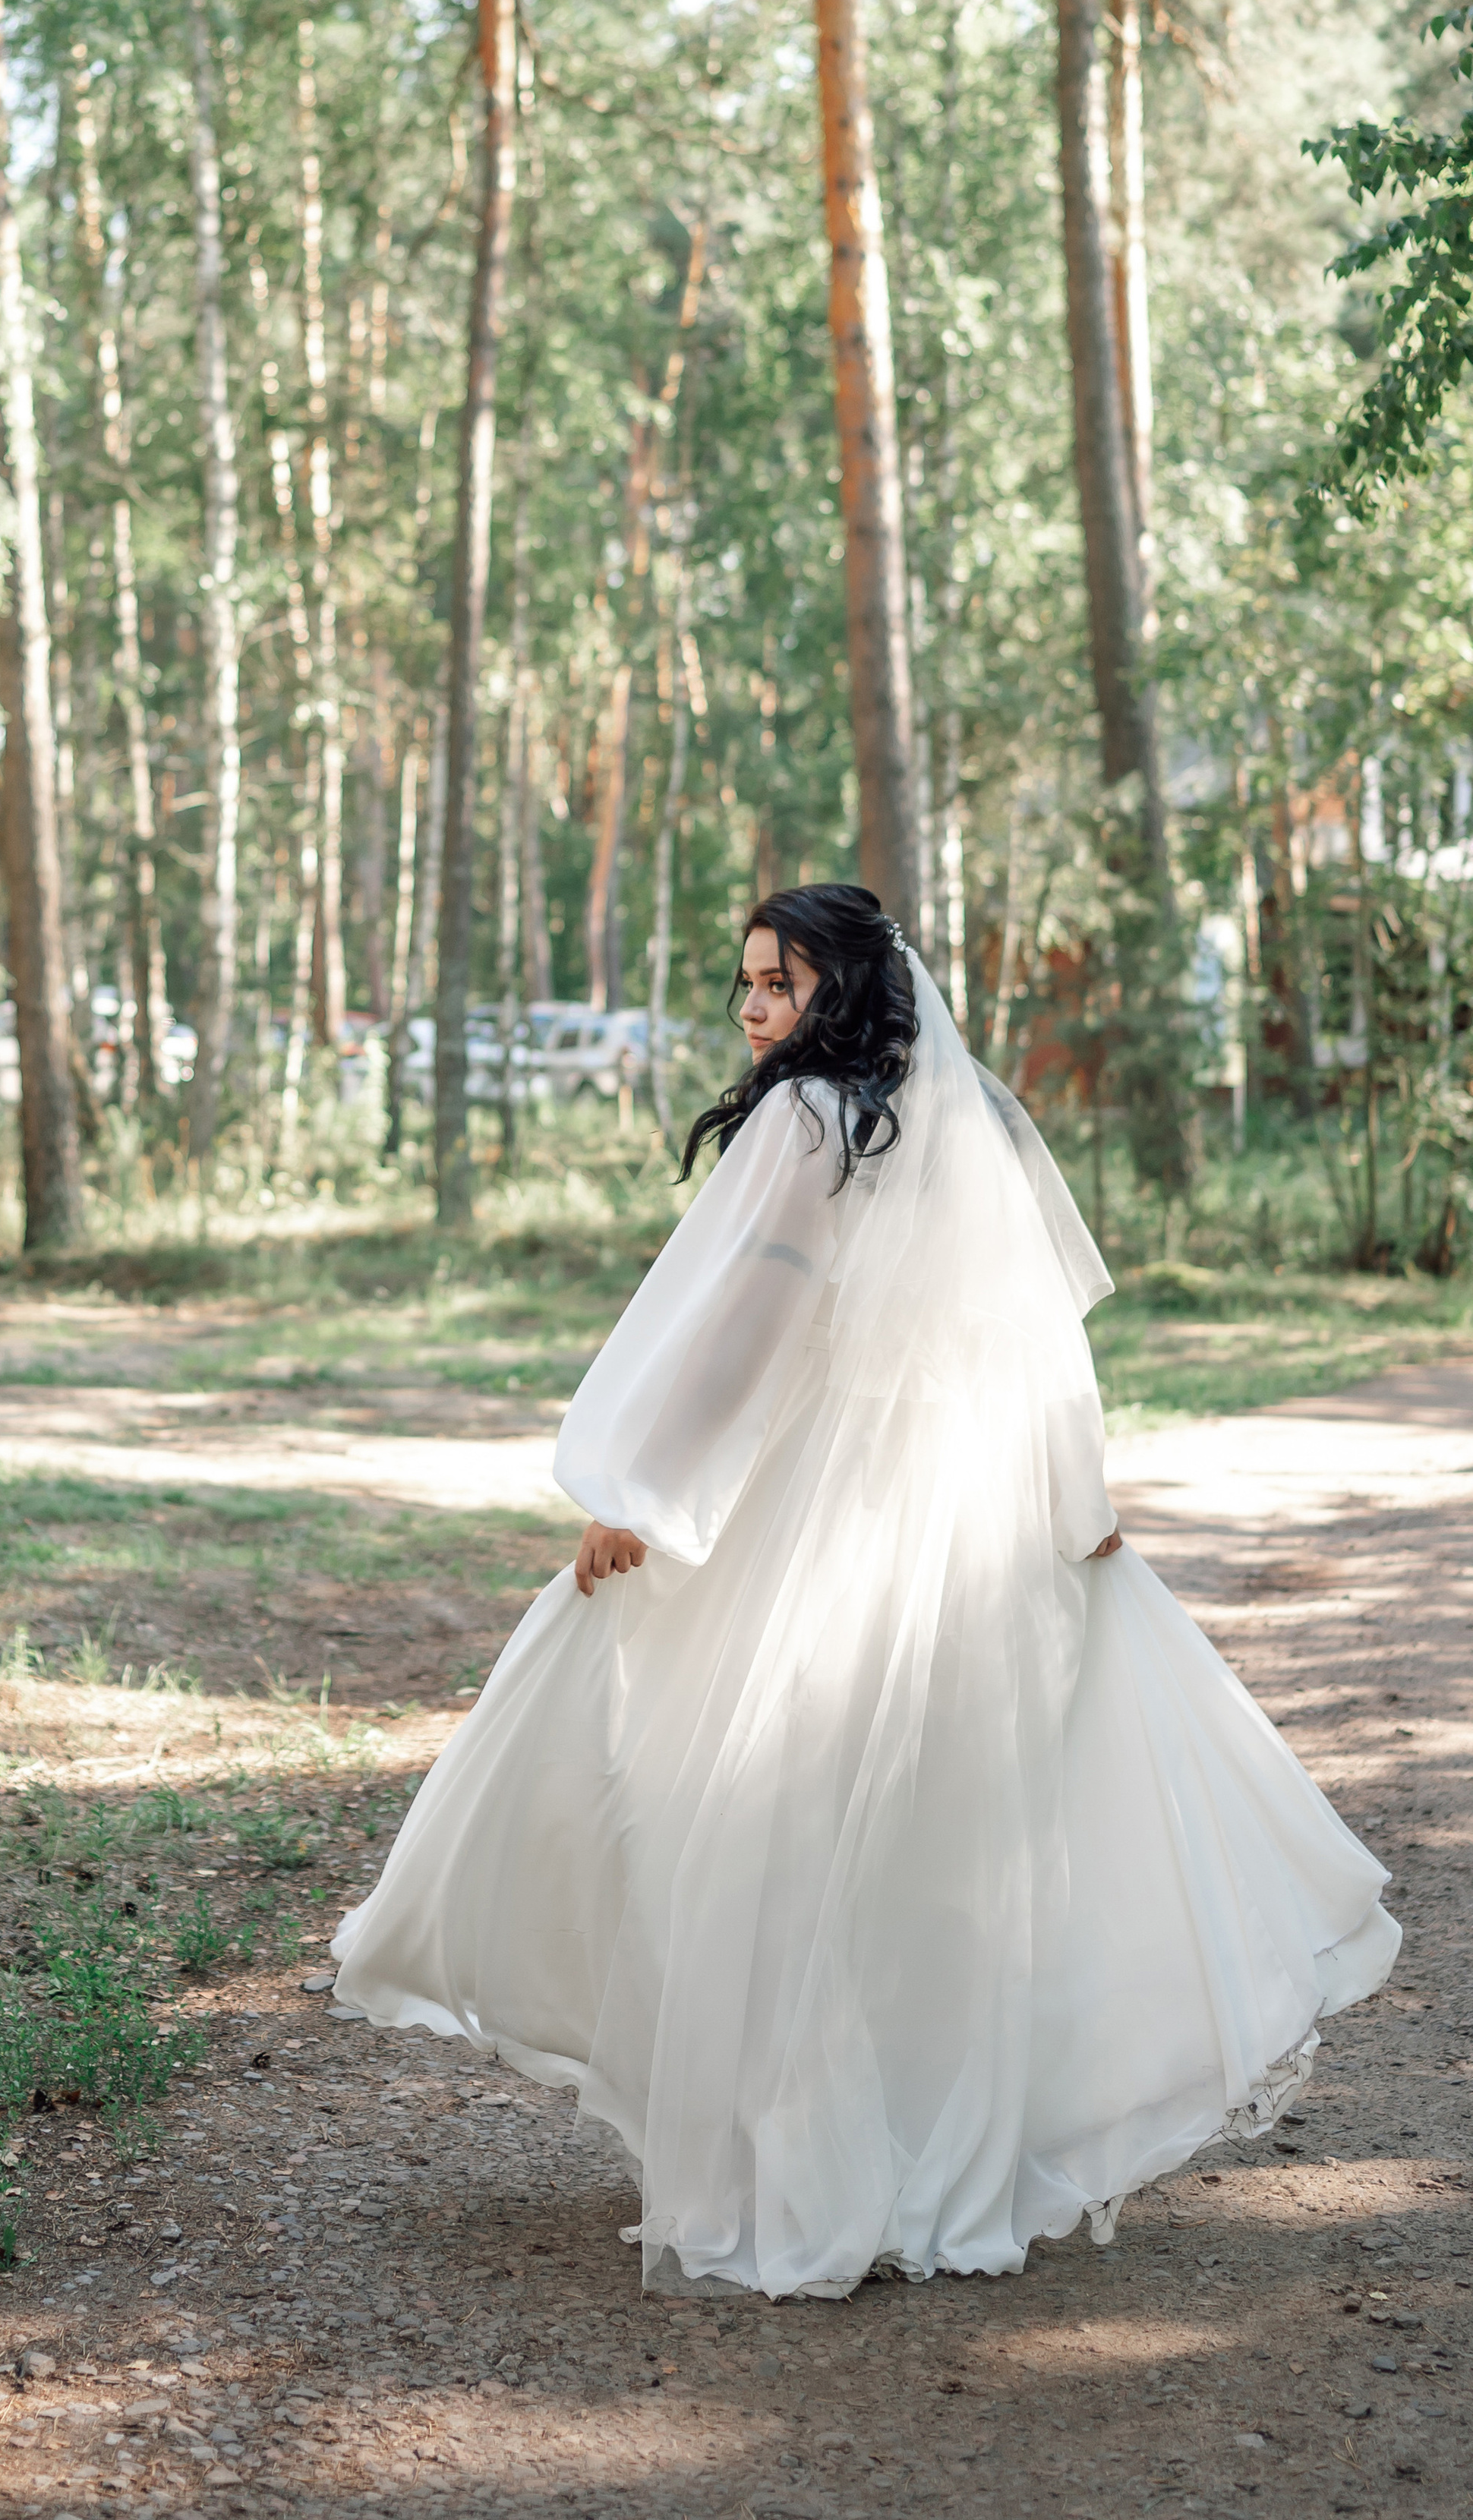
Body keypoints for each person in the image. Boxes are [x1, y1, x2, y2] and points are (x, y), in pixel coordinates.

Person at [330, 884, 1397, 2299]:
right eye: (747, 983)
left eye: (782, 980)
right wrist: (1073, 1503)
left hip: (819, 1505)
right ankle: (907, 2150)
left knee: (763, 1821)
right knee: (905, 1841)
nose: (757, 1006)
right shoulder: (946, 1125)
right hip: (948, 1516)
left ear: (845, 987)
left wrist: (643, 1494)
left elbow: (740, 1339)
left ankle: (807, 2165)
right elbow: (1032, 1353)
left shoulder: (802, 1123)